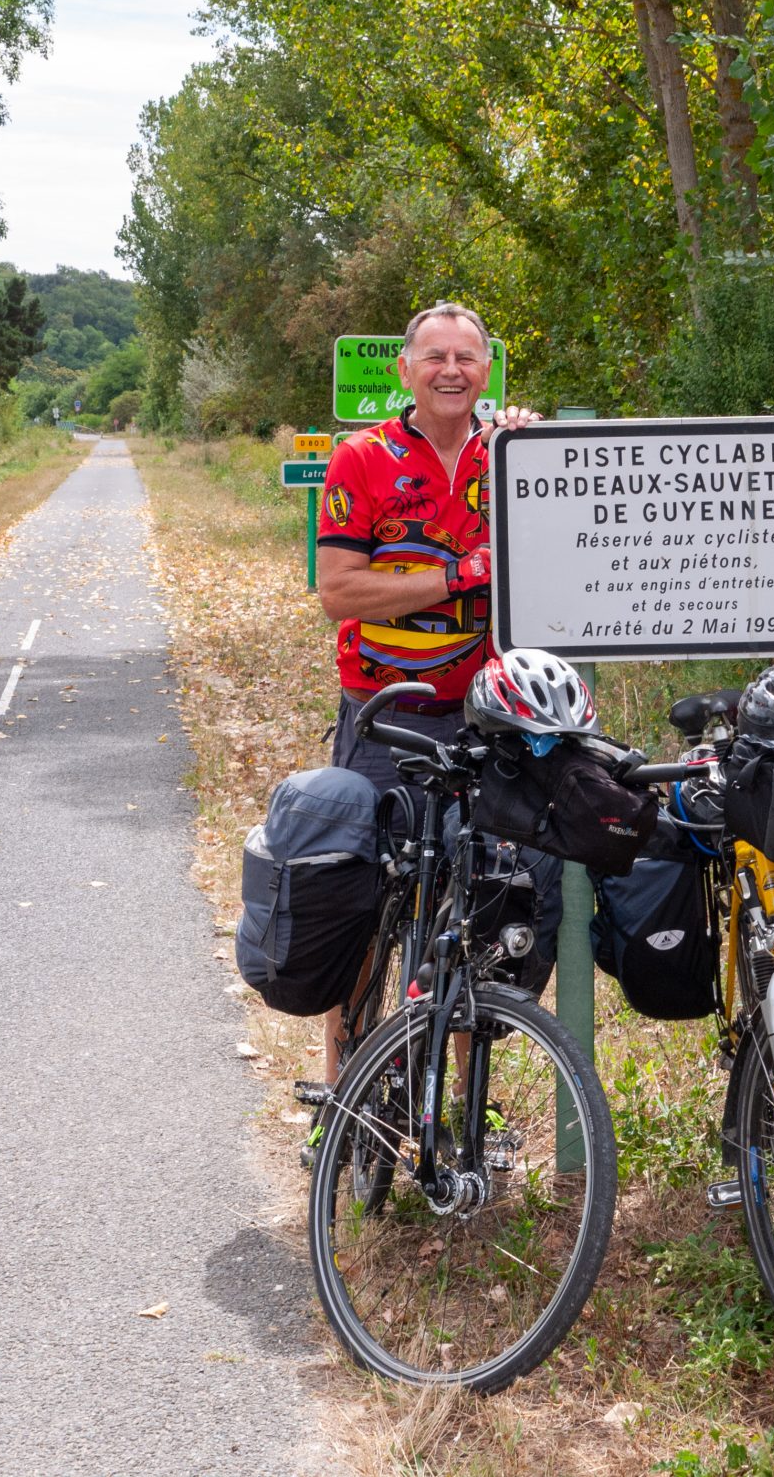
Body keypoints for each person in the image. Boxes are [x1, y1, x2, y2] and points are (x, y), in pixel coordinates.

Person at [311, 301, 549, 1079]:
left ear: (487, 370)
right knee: (363, 910)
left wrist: (540, 449)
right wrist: (455, 576)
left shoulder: (509, 453)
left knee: (481, 912)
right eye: (435, 357)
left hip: (487, 722)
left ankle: (463, 1105)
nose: (452, 370)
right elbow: (339, 591)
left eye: (466, 357)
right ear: (406, 370)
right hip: (386, 721)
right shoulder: (362, 457)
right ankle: (345, 1100)